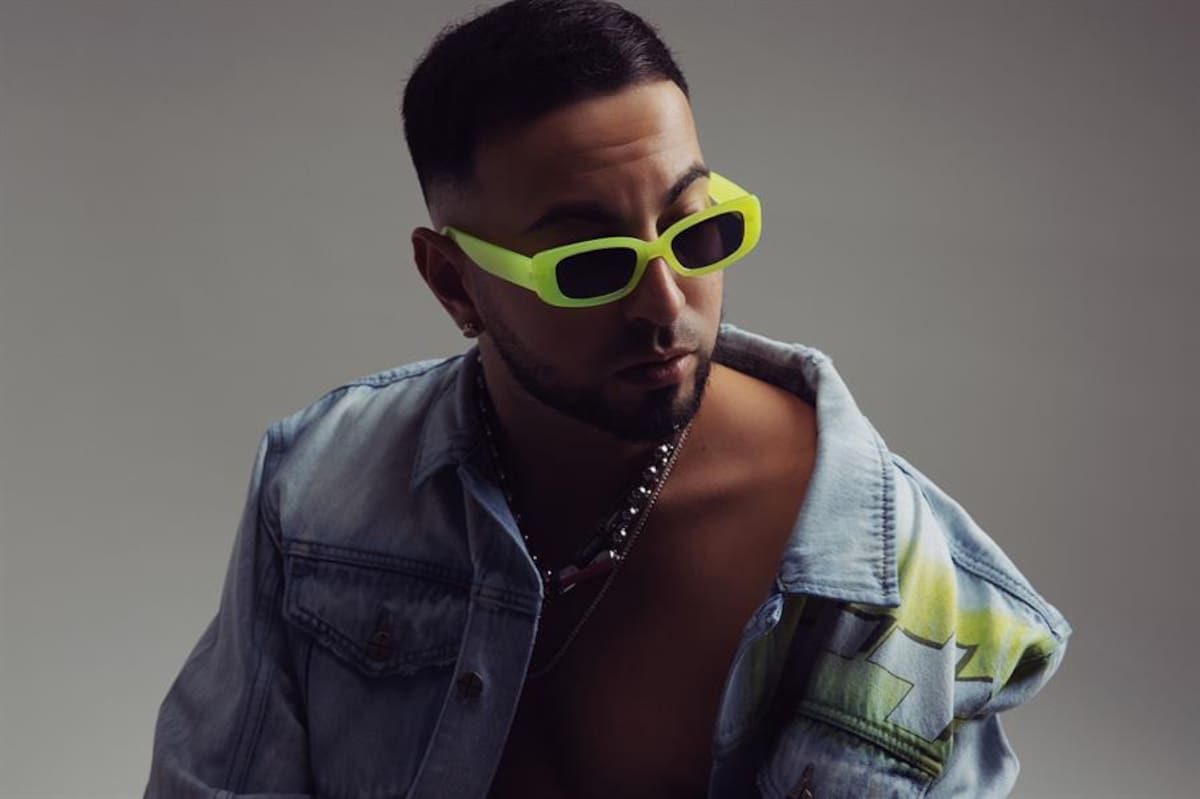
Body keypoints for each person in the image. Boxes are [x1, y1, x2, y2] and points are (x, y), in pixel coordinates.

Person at [144, 1, 1072, 797]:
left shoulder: (894, 587)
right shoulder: (319, 489)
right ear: (455, 283)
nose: (665, 304)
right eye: (590, 265)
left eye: (695, 232)